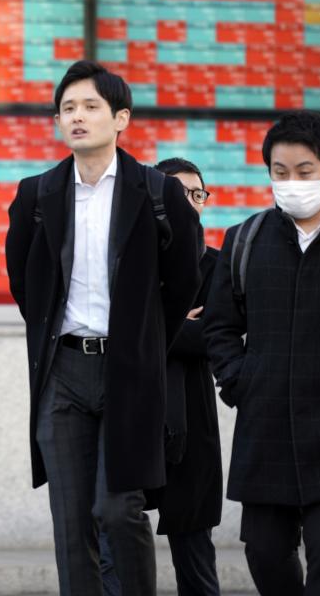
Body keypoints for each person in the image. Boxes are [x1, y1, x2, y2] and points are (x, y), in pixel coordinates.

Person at [5, 60, 201, 594]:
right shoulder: (36, 196)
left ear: (121, 119)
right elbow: (25, 282)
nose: (77, 117)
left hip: (130, 371)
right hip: (62, 371)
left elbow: (184, 281)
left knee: (118, 510)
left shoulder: (159, 194)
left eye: (90, 106)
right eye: (67, 108)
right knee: (71, 524)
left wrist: (143, 336)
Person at [204, 110, 320, 595]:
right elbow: (219, 325)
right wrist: (241, 380)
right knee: (264, 549)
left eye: (304, 172)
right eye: (280, 172)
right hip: (266, 423)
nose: (291, 182)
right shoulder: (246, 240)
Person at [101, 158, 223, 596]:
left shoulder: (217, 267)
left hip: (190, 419)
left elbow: (216, 337)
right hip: (128, 413)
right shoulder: (123, 262)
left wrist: (148, 322)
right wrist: (176, 324)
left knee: (194, 551)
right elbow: (107, 329)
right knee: (113, 536)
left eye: (197, 194)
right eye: (177, 194)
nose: (189, 203)